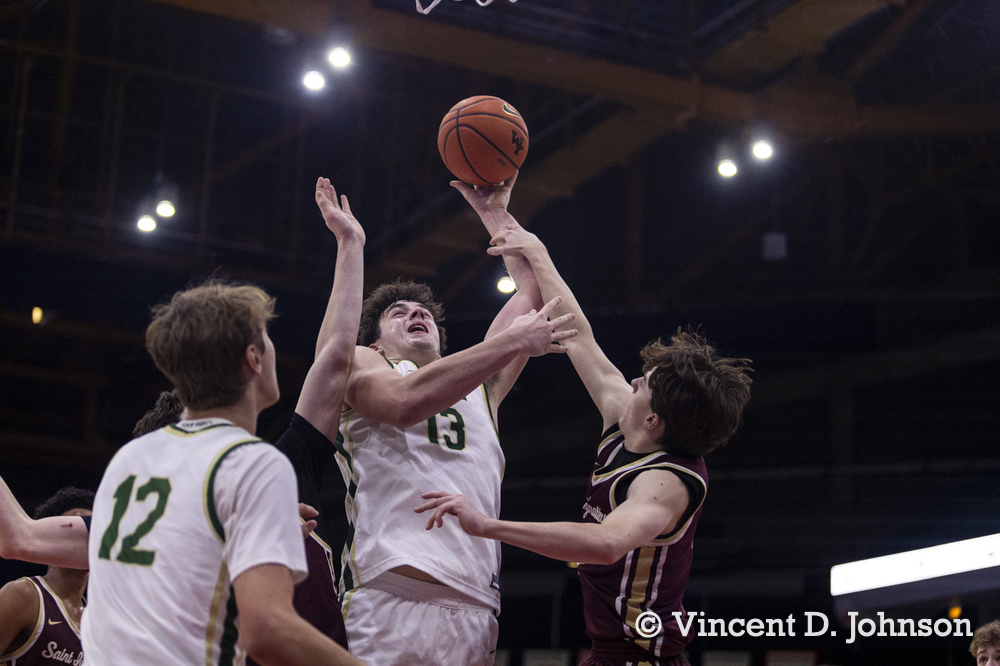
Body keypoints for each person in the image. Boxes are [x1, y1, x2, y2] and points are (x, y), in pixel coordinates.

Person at [416, 217, 753, 666]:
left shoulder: (664, 484)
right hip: (608, 652)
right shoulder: (627, 417)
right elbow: (574, 328)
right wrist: (524, 239)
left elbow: (605, 543)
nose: (631, 380)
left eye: (643, 384)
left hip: (641, 657)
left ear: (653, 419)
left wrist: (487, 526)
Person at [80, 178, 365, 666]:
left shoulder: (131, 459)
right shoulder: (250, 464)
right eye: (268, 340)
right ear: (254, 358)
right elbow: (267, 630)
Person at [335, 173, 577, 665]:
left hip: (476, 603)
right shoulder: (365, 361)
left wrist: (494, 211)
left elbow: (535, 289)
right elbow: (403, 404)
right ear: (379, 340)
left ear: (442, 341)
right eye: (398, 313)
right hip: (392, 590)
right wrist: (511, 343)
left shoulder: (482, 386)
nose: (415, 313)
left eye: (423, 310)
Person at [0, 487, 93, 666]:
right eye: (73, 532)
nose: (84, 541)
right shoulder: (24, 595)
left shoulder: (95, 620)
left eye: (92, 534)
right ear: (51, 539)